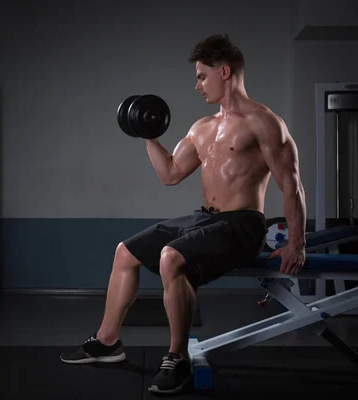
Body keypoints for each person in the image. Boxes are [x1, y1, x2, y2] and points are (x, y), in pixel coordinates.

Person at [60, 34, 307, 395]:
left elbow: (292, 184)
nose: (196, 85)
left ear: (224, 72)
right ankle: (107, 342)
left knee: (171, 257)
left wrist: (296, 244)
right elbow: (171, 173)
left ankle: (177, 357)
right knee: (125, 253)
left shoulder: (264, 122)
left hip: (243, 223)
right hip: (205, 218)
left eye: (202, 76)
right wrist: (148, 135)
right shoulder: (201, 127)